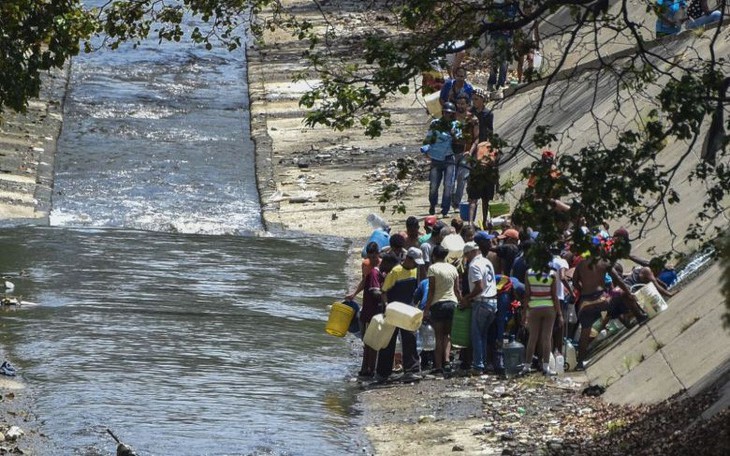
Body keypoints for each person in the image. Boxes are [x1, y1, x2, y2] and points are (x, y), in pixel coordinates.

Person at [572, 256, 648, 369]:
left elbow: (575, 284)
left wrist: (585, 290)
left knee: (585, 332)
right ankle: (640, 317)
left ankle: (579, 363)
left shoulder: (580, 265)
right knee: (621, 291)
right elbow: (618, 279)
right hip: (603, 299)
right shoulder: (604, 261)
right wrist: (628, 293)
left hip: (585, 304)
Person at [376, 248, 424, 382]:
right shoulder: (395, 272)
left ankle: (412, 370)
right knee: (388, 341)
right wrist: (386, 307)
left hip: (408, 311)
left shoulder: (416, 271)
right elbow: (384, 291)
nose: (416, 265)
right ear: (408, 259)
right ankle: (382, 373)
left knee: (410, 339)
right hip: (394, 311)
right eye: (414, 262)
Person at [356, 252, 398, 378]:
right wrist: (388, 295)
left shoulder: (382, 274)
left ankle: (368, 368)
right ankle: (368, 368)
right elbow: (375, 292)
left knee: (371, 342)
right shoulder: (375, 273)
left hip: (375, 313)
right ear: (385, 263)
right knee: (370, 342)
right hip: (370, 314)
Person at [459, 242, 498, 374]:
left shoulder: (474, 265)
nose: (466, 258)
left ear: (471, 252)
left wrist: (467, 298)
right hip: (493, 302)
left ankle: (478, 366)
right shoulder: (486, 262)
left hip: (482, 302)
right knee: (483, 335)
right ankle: (484, 363)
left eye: (466, 255)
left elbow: (479, 287)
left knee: (476, 335)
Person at [424, 245, 462, 374]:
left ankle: (438, 366)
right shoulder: (452, 268)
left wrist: (426, 309)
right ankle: (446, 361)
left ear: (434, 256)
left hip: (438, 304)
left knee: (438, 336)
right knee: (448, 336)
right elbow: (457, 290)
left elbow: (431, 290)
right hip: (452, 304)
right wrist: (462, 301)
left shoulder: (432, 268)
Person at [422, 102, 461, 216]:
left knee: (448, 185)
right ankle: (433, 204)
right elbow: (429, 138)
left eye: (450, 113)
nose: (447, 115)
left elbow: (459, 141)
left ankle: (445, 209)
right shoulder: (435, 123)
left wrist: (454, 134)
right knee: (434, 185)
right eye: (446, 113)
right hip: (435, 158)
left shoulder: (456, 125)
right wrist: (426, 148)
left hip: (449, 158)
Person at [521, 266, 561, 375]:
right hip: (549, 308)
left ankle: (527, 366)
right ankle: (546, 367)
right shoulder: (552, 273)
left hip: (534, 308)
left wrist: (524, 312)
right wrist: (559, 314)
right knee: (547, 338)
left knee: (532, 337)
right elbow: (554, 296)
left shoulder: (529, 272)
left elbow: (527, 294)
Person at [452, 94, 479, 212]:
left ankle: (457, 203)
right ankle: (450, 200)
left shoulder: (473, 120)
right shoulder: (452, 117)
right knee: (450, 179)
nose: (460, 106)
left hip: (466, 152)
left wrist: (470, 151)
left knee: (462, 178)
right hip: (452, 152)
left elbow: (476, 138)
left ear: (468, 105)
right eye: (458, 104)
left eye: (463, 104)